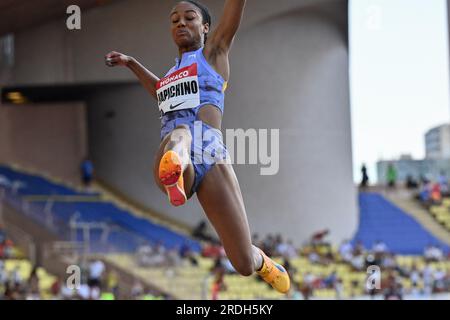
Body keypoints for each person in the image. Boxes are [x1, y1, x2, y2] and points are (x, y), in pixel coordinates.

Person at [105, 0, 290, 293]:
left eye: (188, 18)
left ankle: (262, 260)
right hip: (172, 149)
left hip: (210, 155)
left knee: (241, 263)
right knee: (181, 130)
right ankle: (176, 168)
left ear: (205, 28)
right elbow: (159, 91)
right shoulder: (170, 77)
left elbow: (233, 14)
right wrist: (131, 63)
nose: (180, 23)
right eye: (174, 19)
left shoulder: (213, 54)